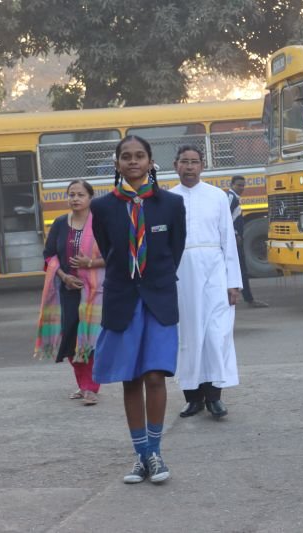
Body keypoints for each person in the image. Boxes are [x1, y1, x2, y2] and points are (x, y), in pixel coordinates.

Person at [90, 136, 186, 483]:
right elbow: (109, 250)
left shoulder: (171, 204)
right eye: (126, 157)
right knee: (130, 379)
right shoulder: (102, 207)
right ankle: (141, 455)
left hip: (158, 299)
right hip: (123, 300)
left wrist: (152, 279)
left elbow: (175, 250)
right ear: (117, 163)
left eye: (140, 156)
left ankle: (155, 453)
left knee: (155, 376)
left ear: (150, 162)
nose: (133, 161)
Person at [171, 146, 241, 420]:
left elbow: (228, 240)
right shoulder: (168, 199)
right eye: (184, 162)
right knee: (188, 334)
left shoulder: (217, 196)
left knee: (215, 334)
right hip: (181, 274)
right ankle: (192, 398)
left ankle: (214, 397)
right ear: (176, 165)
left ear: (202, 166)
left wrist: (233, 282)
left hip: (214, 272)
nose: (189, 167)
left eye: (194, 162)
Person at [34, 179, 104, 406]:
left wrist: (90, 263)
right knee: (71, 339)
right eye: (71, 194)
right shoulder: (60, 223)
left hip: (95, 292)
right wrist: (64, 277)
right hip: (67, 290)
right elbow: (49, 255)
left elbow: (115, 254)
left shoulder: (100, 223)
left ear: (90, 198)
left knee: (90, 339)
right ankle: (83, 385)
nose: (75, 199)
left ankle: (90, 387)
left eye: (80, 195)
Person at [227, 175, 268, 308]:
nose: (241, 188)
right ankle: (248, 299)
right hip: (233, 240)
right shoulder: (231, 198)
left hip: (235, 239)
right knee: (241, 269)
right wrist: (235, 234)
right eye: (238, 185)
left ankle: (246, 298)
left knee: (240, 269)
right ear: (232, 185)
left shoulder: (235, 198)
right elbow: (225, 218)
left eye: (243, 185)